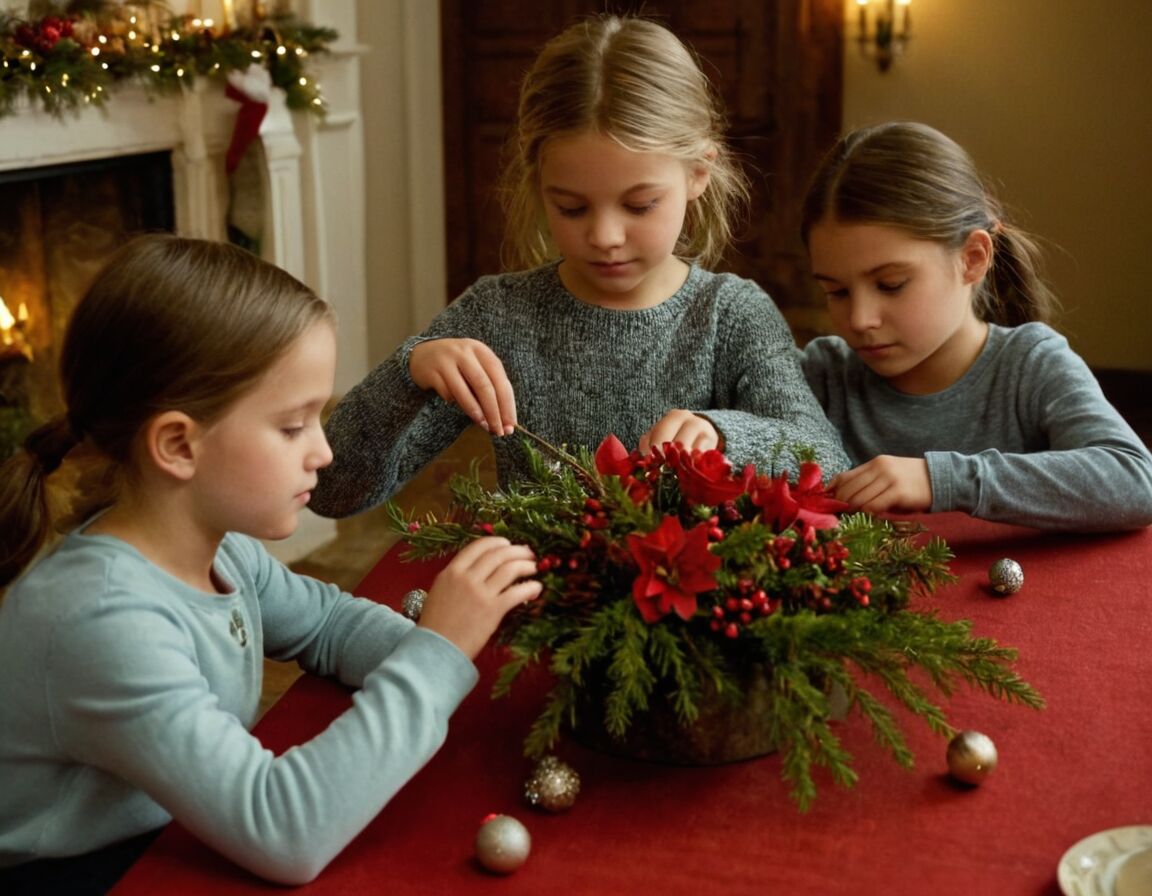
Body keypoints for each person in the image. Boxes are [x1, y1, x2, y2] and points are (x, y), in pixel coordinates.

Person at [0, 234, 542, 892]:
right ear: (177, 444)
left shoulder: (217, 549)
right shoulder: (102, 619)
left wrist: (466, 662)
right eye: (293, 426)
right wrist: (436, 654)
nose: (322, 451)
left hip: (172, 835)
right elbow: (285, 830)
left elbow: (327, 626)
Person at [310, 14, 849, 519]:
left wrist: (722, 435)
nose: (605, 237)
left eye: (639, 206)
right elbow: (332, 491)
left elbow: (827, 462)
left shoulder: (731, 315)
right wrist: (408, 373)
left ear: (698, 173)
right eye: (571, 207)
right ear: (537, 179)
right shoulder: (498, 316)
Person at [799, 120, 1152, 531]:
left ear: (973, 258)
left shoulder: (1031, 365)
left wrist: (943, 480)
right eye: (836, 292)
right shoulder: (823, 374)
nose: (859, 319)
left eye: (891, 285)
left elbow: (1134, 480)